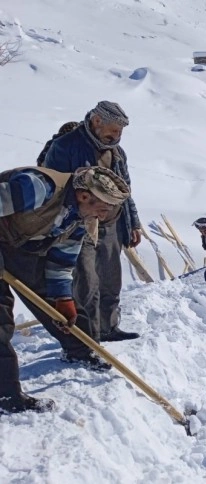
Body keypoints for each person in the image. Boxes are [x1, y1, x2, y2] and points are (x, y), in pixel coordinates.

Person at [0, 166, 131, 413]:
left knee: (54, 301)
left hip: (19, 247)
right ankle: (5, 396)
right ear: (83, 196)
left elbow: (61, 263)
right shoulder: (39, 188)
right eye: (102, 209)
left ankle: (79, 350)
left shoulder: (80, 218)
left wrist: (62, 298)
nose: (102, 217)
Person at [43, 100, 142, 342]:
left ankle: (109, 327)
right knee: (86, 283)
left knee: (111, 280)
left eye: (120, 132)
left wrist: (134, 222)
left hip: (112, 224)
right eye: (113, 130)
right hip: (79, 223)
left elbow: (125, 189)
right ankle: (87, 337)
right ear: (97, 122)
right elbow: (53, 186)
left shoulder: (117, 152)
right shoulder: (65, 146)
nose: (117, 136)